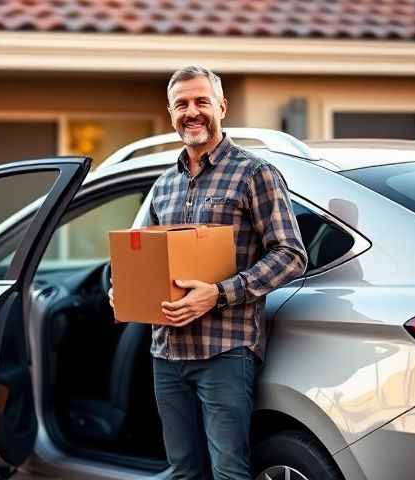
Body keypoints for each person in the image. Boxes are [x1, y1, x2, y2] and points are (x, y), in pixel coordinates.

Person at [109, 65, 307, 480]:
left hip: (225, 352)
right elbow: (146, 255)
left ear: (222, 106)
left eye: (201, 101)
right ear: (170, 112)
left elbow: (290, 254)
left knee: (229, 472)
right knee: (183, 471)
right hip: (166, 353)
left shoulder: (255, 173)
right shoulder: (164, 184)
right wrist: (126, 290)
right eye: (181, 104)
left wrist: (218, 293)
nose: (192, 112)